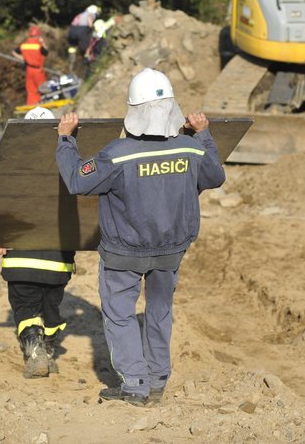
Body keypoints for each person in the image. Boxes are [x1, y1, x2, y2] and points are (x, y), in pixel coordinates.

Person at [55, 68, 225, 406]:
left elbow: (77, 180)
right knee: (160, 312)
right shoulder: (191, 151)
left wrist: (65, 140)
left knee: (120, 313)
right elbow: (215, 176)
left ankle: (135, 384)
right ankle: (158, 379)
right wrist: (202, 135)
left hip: (124, 253)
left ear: (134, 111)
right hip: (171, 252)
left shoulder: (117, 154)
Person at [0, 106, 75, 378]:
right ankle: (48, 347)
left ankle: (35, 350)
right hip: (58, 260)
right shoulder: (69, 163)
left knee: (26, 306)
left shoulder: (12, 167)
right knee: (51, 306)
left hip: (21, 258)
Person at [12, 27, 48, 105]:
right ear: (38, 35)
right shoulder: (38, 45)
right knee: (42, 88)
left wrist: (23, 58)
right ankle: (43, 104)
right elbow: (46, 52)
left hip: (29, 69)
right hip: (38, 70)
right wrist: (43, 43)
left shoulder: (24, 45)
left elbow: (14, 52)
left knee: (31, 89)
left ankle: (31, 105)